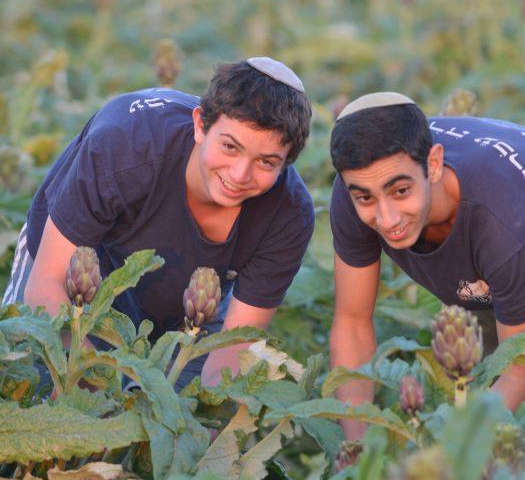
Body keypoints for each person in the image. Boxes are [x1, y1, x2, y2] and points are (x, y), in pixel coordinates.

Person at [4, 57, 315, 391]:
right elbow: (45, 285)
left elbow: (231, 349)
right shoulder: (124, 145)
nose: (240, 174)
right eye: (229, 146)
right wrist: (96, 389)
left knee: (187, 412)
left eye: (266, 162)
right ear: (200, 124)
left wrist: (199, 411)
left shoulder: (289, 214)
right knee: (30, 379)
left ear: (287, 162)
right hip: (77, 278)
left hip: (190, 312)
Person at [328, 92, 525, 436]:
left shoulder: (505, 219)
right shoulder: (358, 186)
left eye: (401, 191)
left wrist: (455, 453)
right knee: (474, 383)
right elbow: (352, 323)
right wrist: (360, 450)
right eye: (365, 198)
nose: (387, 218)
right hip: (494, 255)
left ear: (433, 165)